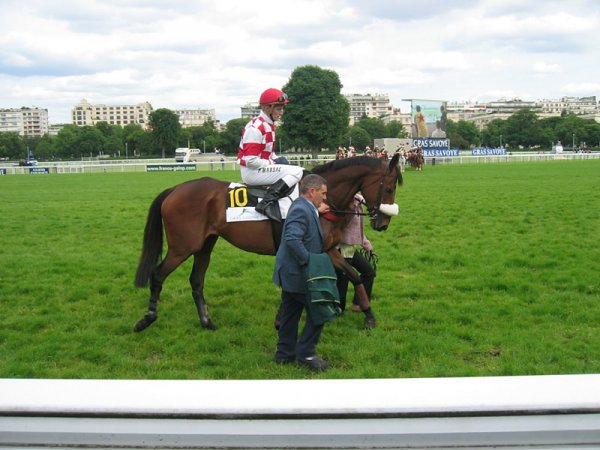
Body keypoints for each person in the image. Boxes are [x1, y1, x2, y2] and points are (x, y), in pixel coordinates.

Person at [272, 174, 331, 371]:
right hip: (298, 273)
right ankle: (305, 353)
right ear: (312, 192)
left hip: (290, 273)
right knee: (320, 311)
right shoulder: (300, 209)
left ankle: (284, 354)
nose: (325, 198)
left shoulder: (305, 206)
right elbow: (292, 239)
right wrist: (309, 262)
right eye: (323, 194)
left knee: (290, 314)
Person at [237, 88, 304, 219]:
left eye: (282, 109)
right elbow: (251, 161)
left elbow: (269, 154)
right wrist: (272, 162)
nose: (282, 112)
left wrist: (278, 160)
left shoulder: (269, 125)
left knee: (294, 167)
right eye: (279, 109)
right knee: (298, 172)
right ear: (268, 108)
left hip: (260, 168)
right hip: (252, 172)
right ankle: (266, 203)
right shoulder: (255, 128)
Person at [336, 194, 376, 312]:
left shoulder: (358, 200)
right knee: (342, 282)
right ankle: (337, 310)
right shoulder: (343, 202)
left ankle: (357, 304)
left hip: (350, 248)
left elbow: (357, 228)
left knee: (368, 272)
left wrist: (365, 243)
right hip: (339, 248)